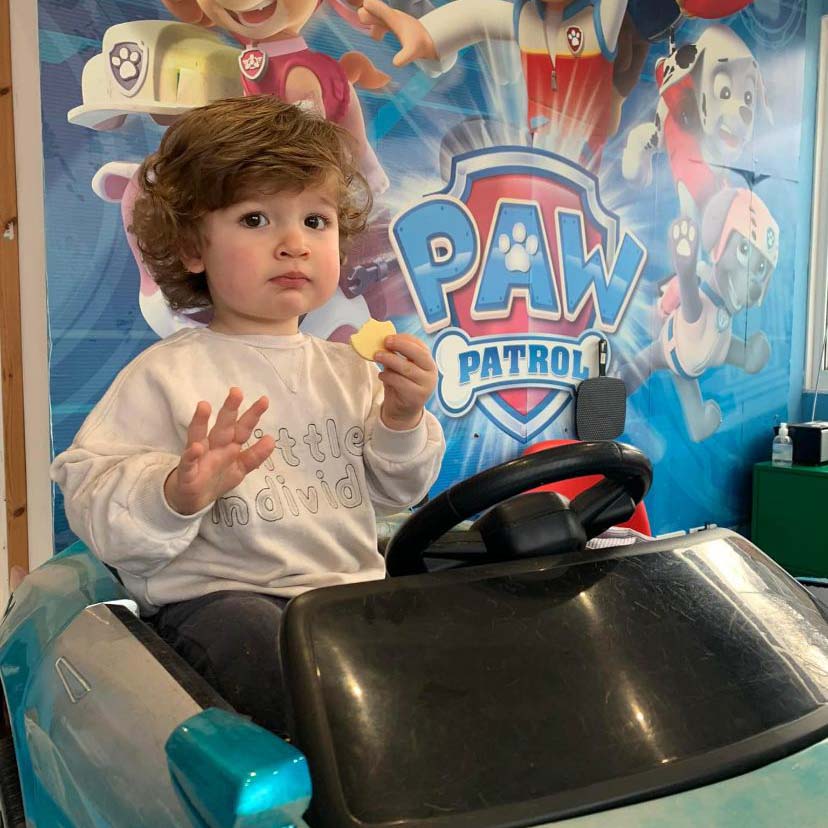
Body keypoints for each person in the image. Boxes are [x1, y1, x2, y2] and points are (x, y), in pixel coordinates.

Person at [51, 95, 445, 735]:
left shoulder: (348, 370)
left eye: (316, 222)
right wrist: (176, 492)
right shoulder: (165, 375)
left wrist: (401, 418)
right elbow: (95, 503)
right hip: (221, 603)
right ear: (191, 249)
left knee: (450, 652)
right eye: (257, 218)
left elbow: (398, 490)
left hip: (343, 599)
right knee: (281, 662)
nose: (294, 244)